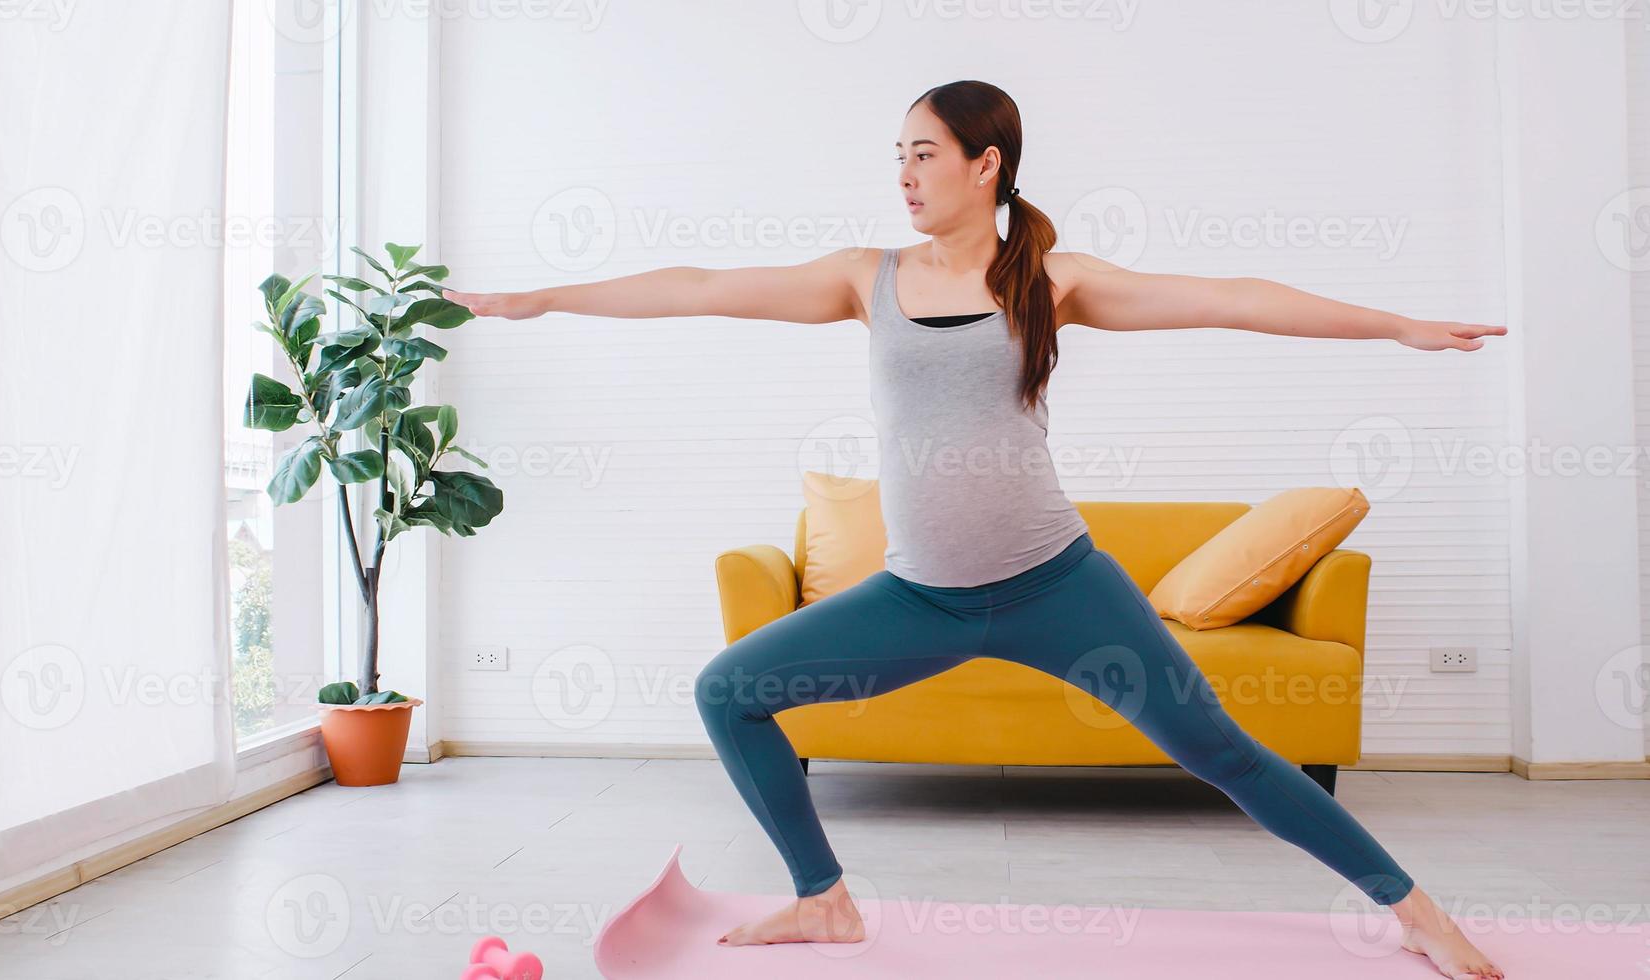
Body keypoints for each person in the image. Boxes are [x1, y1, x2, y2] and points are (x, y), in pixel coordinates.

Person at [444, 79, 1506, 980]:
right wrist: (541, 299)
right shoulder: (868, 277)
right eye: (895, 156)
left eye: (922, 154)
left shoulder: (1049, 280)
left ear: (983, 163)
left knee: (1222, 750)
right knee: (728, 690)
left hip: (1059, 586)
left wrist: (1395, 326)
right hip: (918, 598)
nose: (902, 175)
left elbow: (1228, 297)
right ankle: (822, 898)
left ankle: (1414, 911)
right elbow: (703, 285)